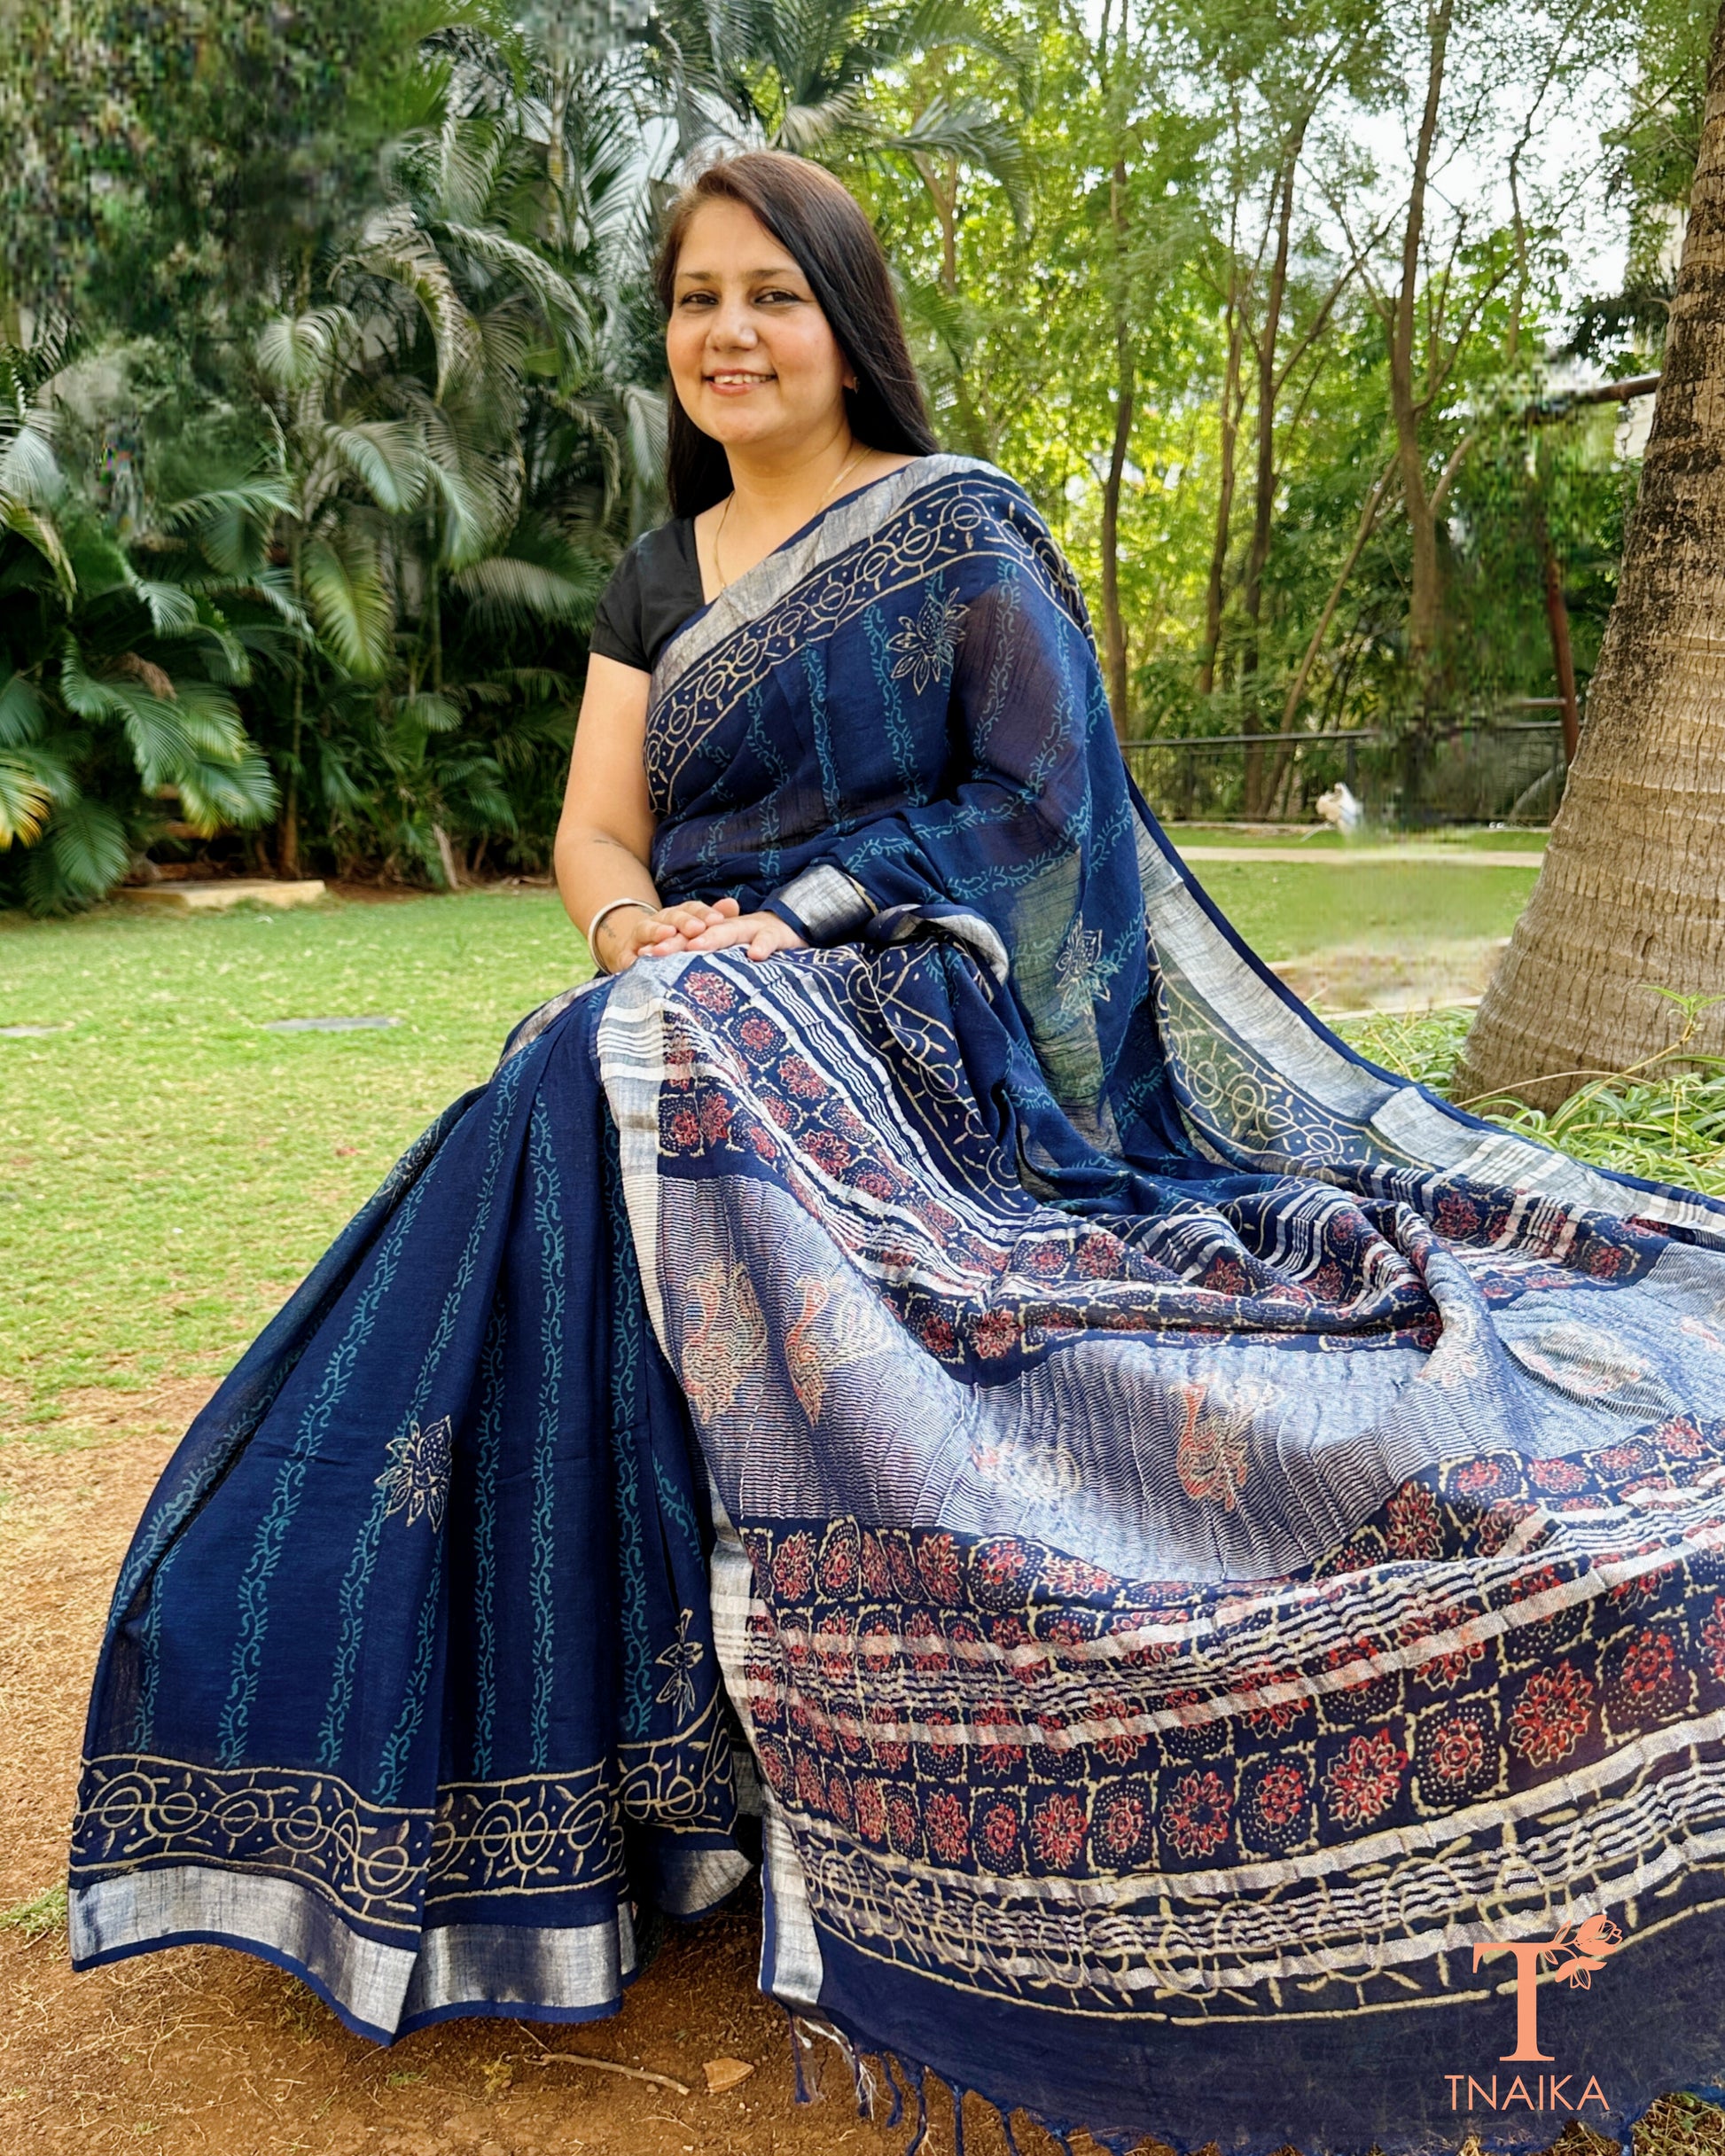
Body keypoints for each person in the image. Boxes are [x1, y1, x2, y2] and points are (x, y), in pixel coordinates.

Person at [69, 150, 1725, 2156]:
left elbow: (1041, 804)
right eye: (695, 299)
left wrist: (808, 914)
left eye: (771, 293)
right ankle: (568, 1749)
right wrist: (637, 925)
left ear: (846, 321)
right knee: (599, 1057)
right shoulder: (656, 580)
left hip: (910, 994)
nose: (730, 334)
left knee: (654, 1055)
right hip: (673, 999)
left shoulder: (952, 532)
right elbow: (595, 830)